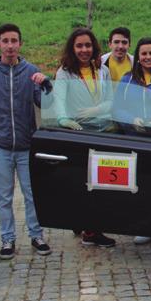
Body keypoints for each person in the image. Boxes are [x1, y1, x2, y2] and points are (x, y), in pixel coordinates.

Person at [0, 23, 52, 260]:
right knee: (4, 196)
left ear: (20, 44)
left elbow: (45, 104)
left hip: (27, 146)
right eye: (5, 41)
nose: (10, 46)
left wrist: (46, 84)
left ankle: (36, 235)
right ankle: (8, 239)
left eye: (14, 41)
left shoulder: (30, 70)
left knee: (32, 194)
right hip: (0, 147)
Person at [52, 27, 117, 247]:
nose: (84, 50)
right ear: (72, 48)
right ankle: (90, 230)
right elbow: (59, 99)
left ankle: (89, 224)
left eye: (88, 45)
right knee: (85, 182)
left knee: (100, 183)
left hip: (102, 132)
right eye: (79, 46)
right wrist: (63, 119)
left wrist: (97, 111)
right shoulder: (65, 72)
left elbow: (111, 100)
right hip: (79, 133)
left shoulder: (102, 70)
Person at [113, 37, 151, 245]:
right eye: (144, 54)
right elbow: (117, 109)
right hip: (134, 141)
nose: (148, 57)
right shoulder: (127, 80)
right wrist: (132, 120)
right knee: (137, 184)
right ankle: (143, 225)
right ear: (137, 57)